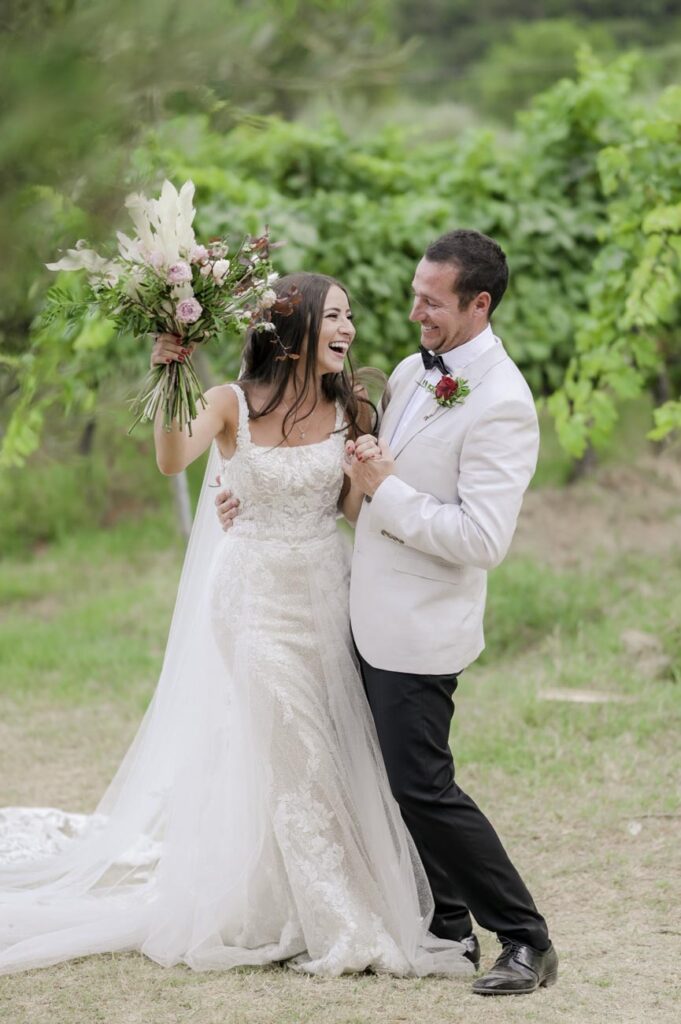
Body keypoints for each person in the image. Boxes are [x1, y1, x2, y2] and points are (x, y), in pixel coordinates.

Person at [0, 272, 472, 979]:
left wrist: (377, 473)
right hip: (251, 597)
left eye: (350, 316)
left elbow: (349, 511)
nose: (347, 329)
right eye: (334, 316)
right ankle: (333, 916)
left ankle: (305, 892)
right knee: (294, 747)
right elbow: (170, 459)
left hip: (326, 589)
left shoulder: (352, 404)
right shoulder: (228, 403)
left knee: (338, 745)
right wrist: (172, 372)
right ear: (296, 329)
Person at [218, 232, 559, 996]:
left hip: (420, 627)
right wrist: (253, 493)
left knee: (421, 787)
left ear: (479, 304)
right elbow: (346, 486)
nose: (413, 314)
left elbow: (480, 539)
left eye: (431, 302)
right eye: (413, 294)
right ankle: (443, 924)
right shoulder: (410, 372)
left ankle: (526, 937)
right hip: (350, 611)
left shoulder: (503, 404)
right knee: (381, 778)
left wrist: (387, 490)